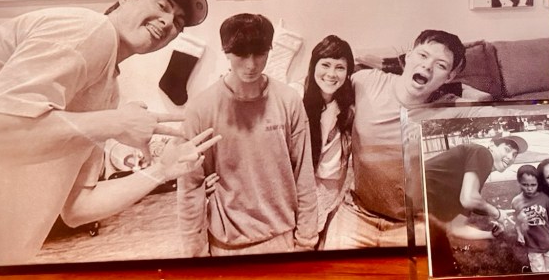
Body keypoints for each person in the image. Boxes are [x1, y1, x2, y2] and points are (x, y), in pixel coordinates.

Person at [0, 0, 218, 267]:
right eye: (162, 6)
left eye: (179, 23)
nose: (168, 22)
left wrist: (161, 170)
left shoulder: (109, 90)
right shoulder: (88, 27)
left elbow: (79, 208)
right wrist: (116, 123)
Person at [177, 13, 318, 257]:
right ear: (227, 52)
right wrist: (195, 254)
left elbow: (304, 176)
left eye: (260, 53)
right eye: (241, 54)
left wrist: (306, 241)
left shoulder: (289, 100)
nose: (251, 64)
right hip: (226, 244)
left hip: (282, 239)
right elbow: (190, 187)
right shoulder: (201, 109)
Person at [322, 29, 470, 250]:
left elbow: (501, 111)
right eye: (422, 55)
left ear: (449, 77)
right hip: (357, 212)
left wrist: (467, 92)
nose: (427, 66)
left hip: (414, 224)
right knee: (332, 270)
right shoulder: (366, 82)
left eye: (440, 65)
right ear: (408, 56)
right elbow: (321, 86)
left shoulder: (451, 110)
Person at [423, 135, 527, 277]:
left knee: (445, 272)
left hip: (426, 218)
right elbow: (469, 199)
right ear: (492, 145)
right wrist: (497, 213)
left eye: (514, 154)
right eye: (507, 149)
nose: (510, 157)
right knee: (445, 273)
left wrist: (490, 235)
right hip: (413, 202)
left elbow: (457, 228)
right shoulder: (483, 153)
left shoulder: (469, 183)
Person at [302, 35, 356, 241]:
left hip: (333, 186)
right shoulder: (296, 98)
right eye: (325, 65)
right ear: (313, 66)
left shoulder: (349, 105)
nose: (332, 74)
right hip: (304, 185)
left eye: (340, 67)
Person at [511, 164, 549, 273]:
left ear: (538, 183)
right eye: (525, 185)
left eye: (533, 185)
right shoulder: (516, 201)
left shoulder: (545, 199)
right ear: (519, 182)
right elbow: (516, 221)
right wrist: (519, 233)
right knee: (538, 272)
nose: (529, 188)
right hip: (532, 246)